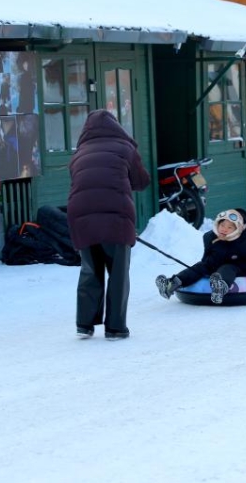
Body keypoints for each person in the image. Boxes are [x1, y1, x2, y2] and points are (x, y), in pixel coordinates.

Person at [66, 110, 150, 340]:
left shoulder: (78, 154)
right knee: (118, 272)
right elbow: (142, 181)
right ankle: (115, 328)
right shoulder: (125, 148)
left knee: (90, 269)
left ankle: (84, 324)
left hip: (81, 215)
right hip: (116, 216)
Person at [156, 207, 246, 304]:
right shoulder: (210, 237)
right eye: (222, 225)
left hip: (243, 267)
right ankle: (171, 284)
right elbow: (207, 256)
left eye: (230, 227)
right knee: (199, 267)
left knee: (228, 267)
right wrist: (203, 268)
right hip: (217, 264)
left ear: (238, 229)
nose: (224, 229)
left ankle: (220, 288)